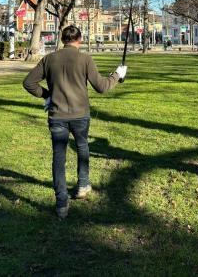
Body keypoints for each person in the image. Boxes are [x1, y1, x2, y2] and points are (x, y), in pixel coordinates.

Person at [23, 25, 127, 219]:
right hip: (80, 115)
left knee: (59, 157)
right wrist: (117, 75)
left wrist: (47, 95)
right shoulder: (85, 59)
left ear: (63, 39)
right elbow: (102, 87)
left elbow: (29, 83)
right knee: (82, 146)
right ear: (80, 39)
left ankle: (61, 203)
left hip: (57, 116)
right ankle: (83, 184)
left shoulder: (49, 59)